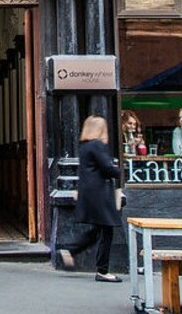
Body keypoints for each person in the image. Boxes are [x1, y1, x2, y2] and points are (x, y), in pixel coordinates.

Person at [58, 115, 122, 282]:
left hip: (90, 193)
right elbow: (107, 168)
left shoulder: (85, 146)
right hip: (100, 194)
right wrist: (122, 172)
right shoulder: (97, 145)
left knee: (96, 231)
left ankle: (71, 250)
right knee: (106, 231)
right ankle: (102, 271)